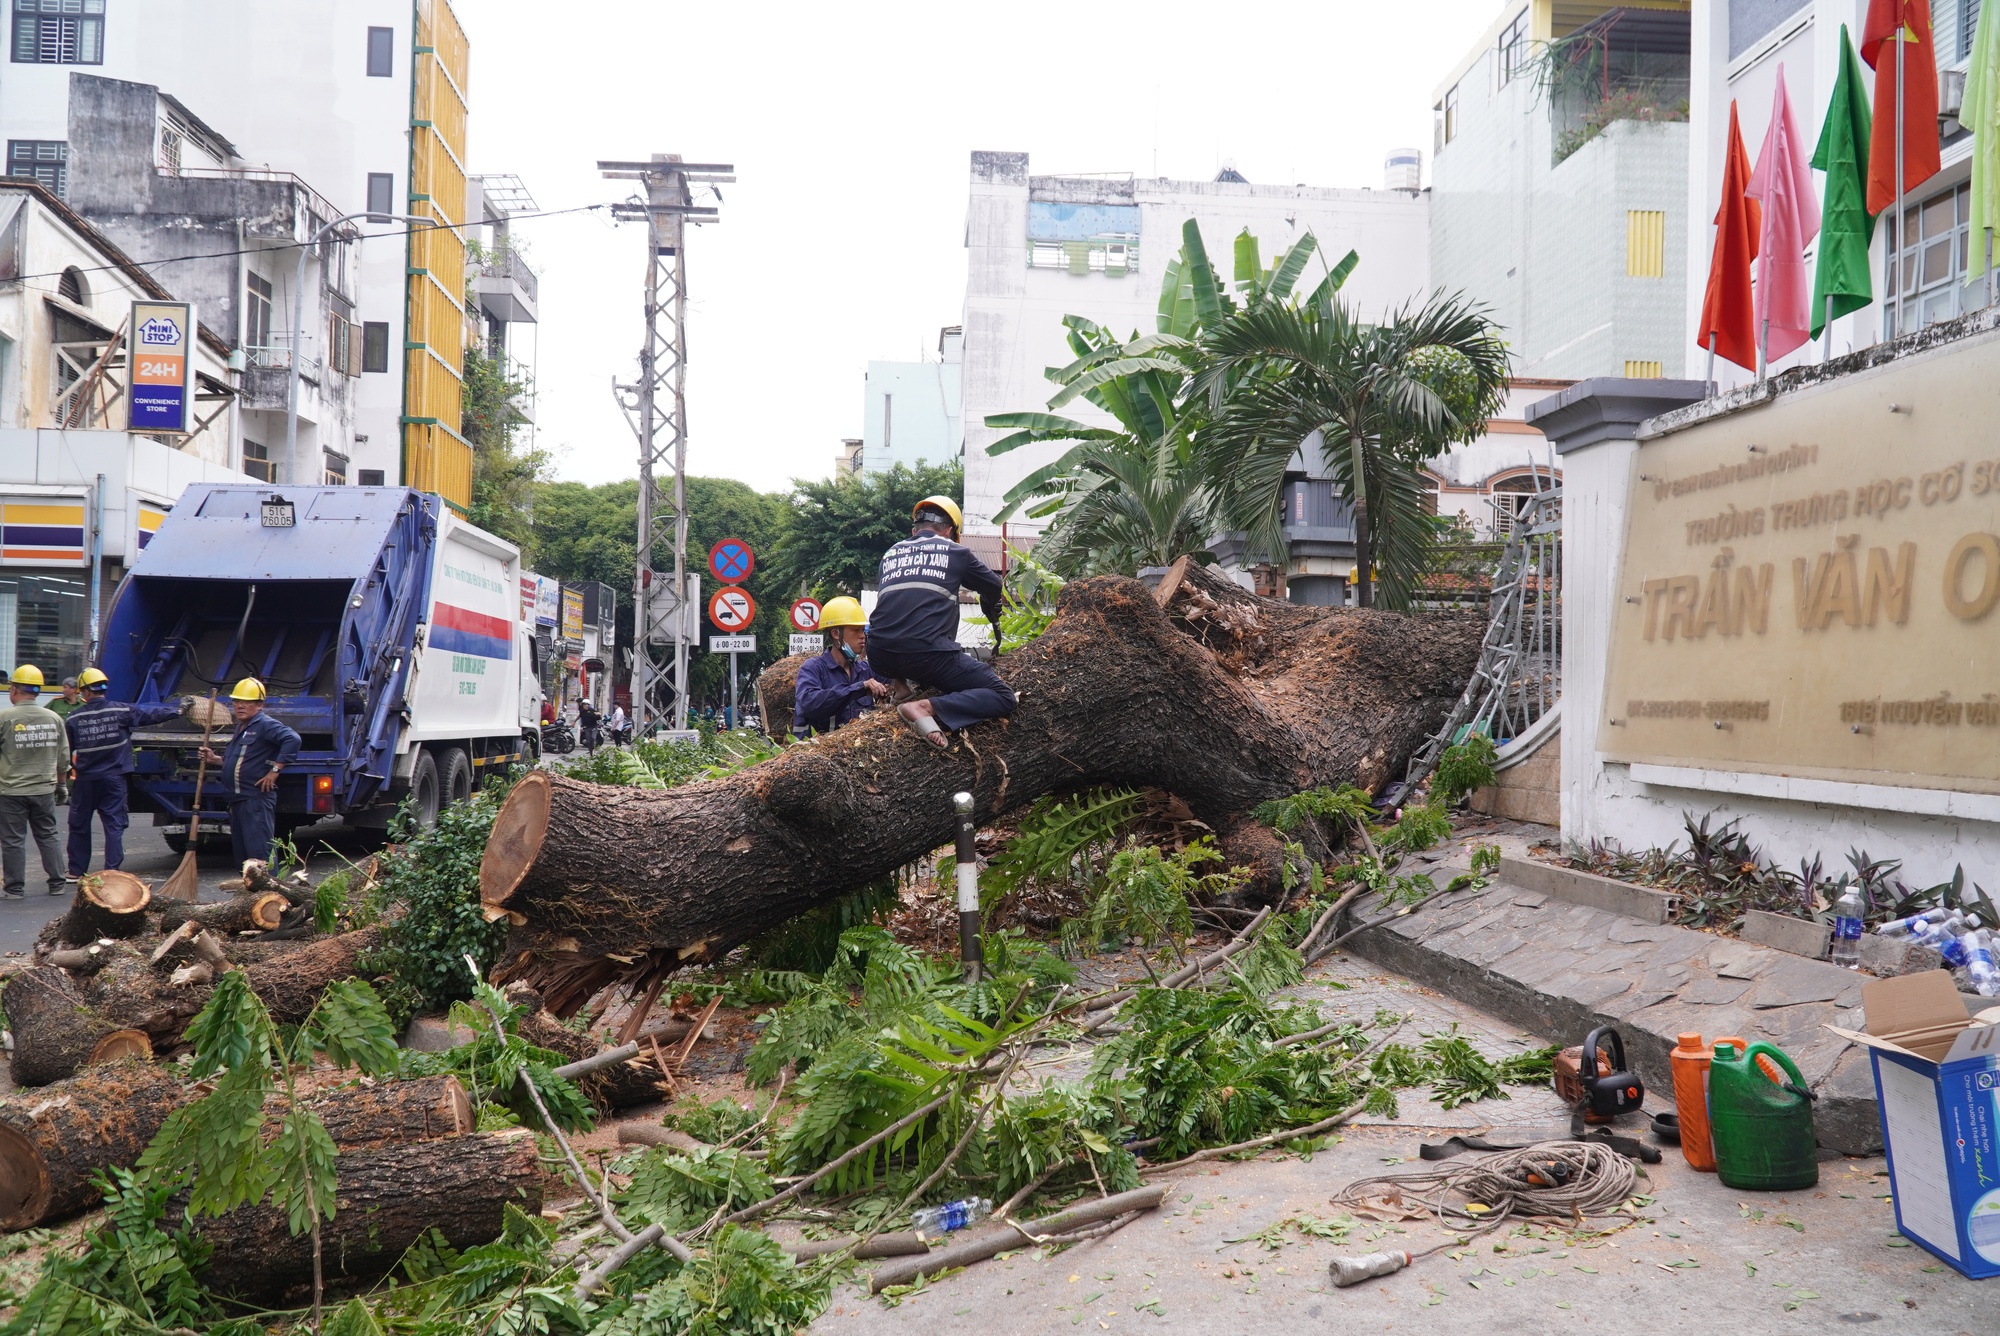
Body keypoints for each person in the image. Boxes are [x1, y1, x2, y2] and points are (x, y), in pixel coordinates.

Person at [867, 496, 1014, 748]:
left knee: (902, 621)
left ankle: (900, 685)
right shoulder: (955, 551)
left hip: (878, 656)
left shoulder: (890, 554)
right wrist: (991, 605)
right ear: (949, 531)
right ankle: (924, 707)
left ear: (914, 530)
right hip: (928, 655)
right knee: (1004, 697)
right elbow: (994, 584)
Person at [63, 667, 187, 877]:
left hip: (86, 780)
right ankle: (112, 870)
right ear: (103, 689)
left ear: (85, 692)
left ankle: (76, 871)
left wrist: (64, 776)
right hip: (113, 780)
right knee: (113, 825)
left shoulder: (73, 719)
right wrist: (178, 710)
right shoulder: (121, 711)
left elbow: (66, 751)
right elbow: (150, 713)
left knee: (79, 824)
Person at [197, 678, 299, 870]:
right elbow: (241, 761)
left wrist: (274, 771)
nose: (240, 706)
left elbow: (292, 739)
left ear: (259, 705)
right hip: (237, 800)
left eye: (247, 702)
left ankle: (271, 894)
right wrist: (215, 759)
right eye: (236, 701)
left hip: (255, 799)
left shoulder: (265, 724)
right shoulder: (242, 727)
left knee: (260, 855)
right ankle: (250, 896)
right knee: (243, 857)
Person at [0, 665, 70, 898]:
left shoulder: (5, 718)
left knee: (13, 840)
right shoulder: (54, 718)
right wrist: (61, 785)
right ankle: (57, 884)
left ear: (15, 689)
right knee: (48, 835)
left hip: (11, 791)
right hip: (44, 789)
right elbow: (63, 757)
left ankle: (15, 889)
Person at [792, 596, 889, 738]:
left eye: (863, 630)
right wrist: (859, 688)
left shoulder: (866, 670)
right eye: (856, 630)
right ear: (836, 633)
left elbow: (896, 677)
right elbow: (809, 703)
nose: (862, 636)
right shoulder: (813, 668)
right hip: (819, 756)